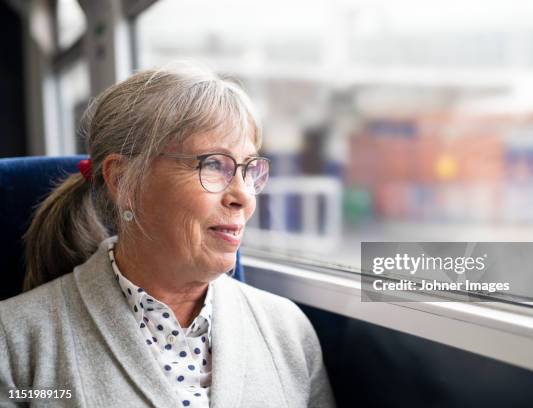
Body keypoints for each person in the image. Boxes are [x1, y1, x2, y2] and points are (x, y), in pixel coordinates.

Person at [0, 67, 335, 408]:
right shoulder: (14, 344)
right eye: (213, 165)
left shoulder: (288, 330)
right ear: (123, 181)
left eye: (249, 170)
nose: (244, 197)